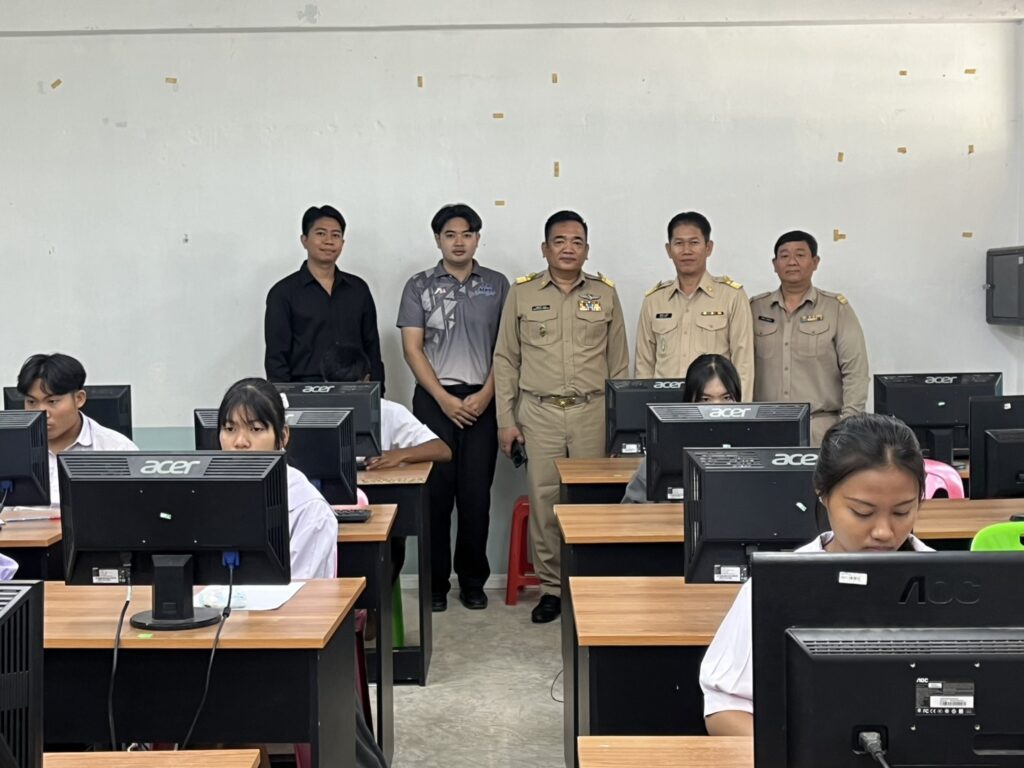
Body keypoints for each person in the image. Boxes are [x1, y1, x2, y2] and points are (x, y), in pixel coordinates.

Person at [699, 412, 933, 736]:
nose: (883, 531)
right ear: (823, 494)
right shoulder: (778, 586)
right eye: (862, 512)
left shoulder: (956, 585)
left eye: (902, 511)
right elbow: (725, 708)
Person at [492, 210, 630, 624]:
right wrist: (505, 420)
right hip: (540, 413)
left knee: (594, 503)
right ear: (545, 248)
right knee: (545, 503)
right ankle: (552, 589)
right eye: (559, 241)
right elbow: (506, 359)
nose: (568, 248)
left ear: (587, 249)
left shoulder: (605, 294)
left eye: (577, 242)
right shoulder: (522, 294)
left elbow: (619, 365)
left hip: (592, 413)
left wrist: (621, 426)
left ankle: (591, 585)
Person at [397, 203, 510, 612]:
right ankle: (434, 584)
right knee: (435, 497)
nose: (458, 242)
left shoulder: (497, 285)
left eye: (466, 234)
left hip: (483, 400)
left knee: (476, 497)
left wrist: (486, 395)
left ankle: (473, 581)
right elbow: (412, 349)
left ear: (477, 239)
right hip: (434, 401)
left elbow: (508, 349)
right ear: (437, 240)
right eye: (450, 235)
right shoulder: (419, 285)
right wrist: (444, 400)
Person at [320, 343, 452, 582]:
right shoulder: (313, 413)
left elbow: (442, 450)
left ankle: (379, 598)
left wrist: (398, 455)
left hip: (378, 503)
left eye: (351, 390)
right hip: (327, 506)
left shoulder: (389, 412)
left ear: (367, 382)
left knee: (389, 540)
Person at [750, 230, 869, 446]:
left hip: (821, 430)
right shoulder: (755, 308)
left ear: (815, 262)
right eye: (784, 256)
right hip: (765, 428)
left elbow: (856, 373)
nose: (792, 262)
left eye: (800, 255)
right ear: (774, 264)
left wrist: (847, 430)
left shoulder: (835, 309)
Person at [216, 377, 338, 579]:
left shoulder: (309, 509)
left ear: (283, 436)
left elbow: (302, 591)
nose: (240, 442)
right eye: (230, 429)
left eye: (255, 429)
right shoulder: (206, 497)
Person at [634, 211, 754, 397]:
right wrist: (643, 408)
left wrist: (739, 411)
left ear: (708, 247)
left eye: (694, 242)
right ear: (668, 249)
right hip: (665, 406)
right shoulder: (654, 301)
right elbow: (644, 365)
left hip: (713, 404)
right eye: (679, 243)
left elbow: (743, 364)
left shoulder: (732, 296)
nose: (686, 251)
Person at [264, 205, 386, 388]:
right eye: (321, 233)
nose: (329, 241)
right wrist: (282, 397)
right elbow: (276, 357)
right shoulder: (283, 293)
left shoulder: (358, 289)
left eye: (336, 235)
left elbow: (372, 347)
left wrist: (377, 392)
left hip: (354, 388)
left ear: (342, 243)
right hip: (304, 388)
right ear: (304, 240)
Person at [15, 352, 138, 506]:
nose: (41, 413)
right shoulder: (10, 449)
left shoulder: (116, 449)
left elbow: (136, 509)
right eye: (31, 402)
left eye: (52, 401)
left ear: (79, 399)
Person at [621, 354, 742, 504]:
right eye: (705, 399)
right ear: (689, 403)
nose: (717, 408)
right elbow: (631, 508)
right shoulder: (665, 451)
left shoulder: (754, 448)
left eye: (726, 398)